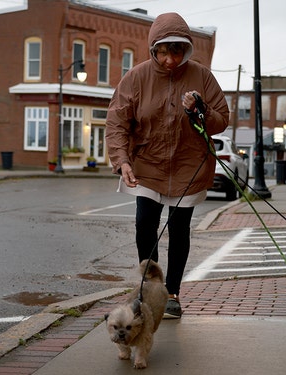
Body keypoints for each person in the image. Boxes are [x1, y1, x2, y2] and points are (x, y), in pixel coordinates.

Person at [105, 12, 229, 319]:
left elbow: (221, 120)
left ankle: (172, 293)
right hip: (147, 163)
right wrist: (121, 160)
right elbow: (117, 121)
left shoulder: (201, 75)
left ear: (185, 49)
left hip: (188, 166)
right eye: (162, 51)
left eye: (176, 51)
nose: (170, 59)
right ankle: (150, 287)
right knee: (144, 225)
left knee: (179, 229)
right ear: (153, 49)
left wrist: (201, 107)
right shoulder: (136, 77)